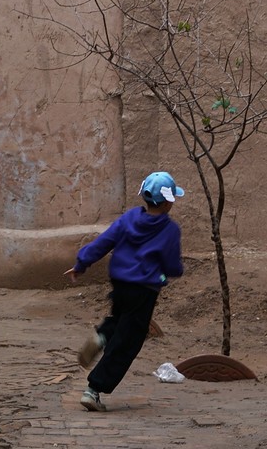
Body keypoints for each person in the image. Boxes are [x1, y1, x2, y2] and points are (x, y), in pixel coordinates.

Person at [64, 171, 185, 412]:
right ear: (168, 202)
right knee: (127, 341)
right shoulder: (170, 230)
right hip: (144, 290)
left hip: (120, 283)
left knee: (119, 320)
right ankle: (93, 390)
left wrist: (81, 263)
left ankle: (102, 335)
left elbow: (104, 241)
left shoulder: (129, 218)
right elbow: (173, 266)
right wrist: (171, 272)